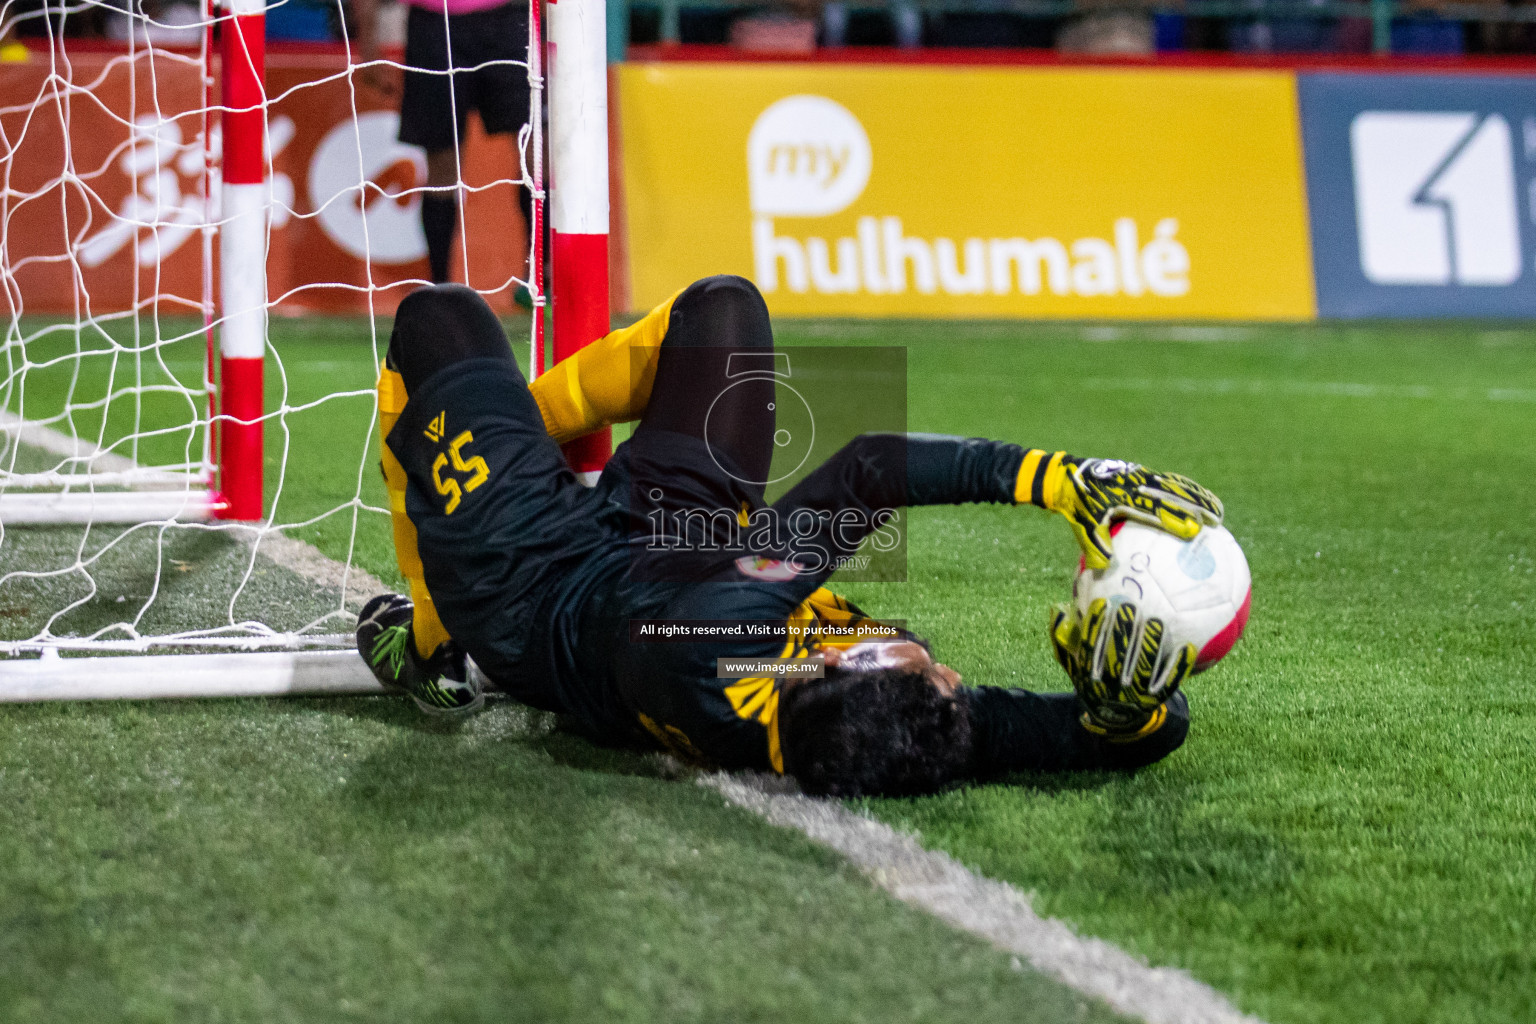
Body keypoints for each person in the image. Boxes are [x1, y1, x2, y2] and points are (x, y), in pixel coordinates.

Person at [356, 276, 1225, 797]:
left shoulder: (719, 639)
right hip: (682, 537)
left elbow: (871, 469)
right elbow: (1125, 739)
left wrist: (1051, 477)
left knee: (440, 318)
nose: (951, 674)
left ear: (845, 662)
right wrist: (1130, 707)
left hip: (530, 577)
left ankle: (431, 633)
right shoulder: (905, 735)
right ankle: (503, 423)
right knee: (723, 309)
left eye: (926, 668)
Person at [353, 0, 533, 287]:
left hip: (511, 20)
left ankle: (541, 273)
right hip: (434, 22)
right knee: (442, 166)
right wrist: (368, 45)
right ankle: (440, 286)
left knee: (535, 151)